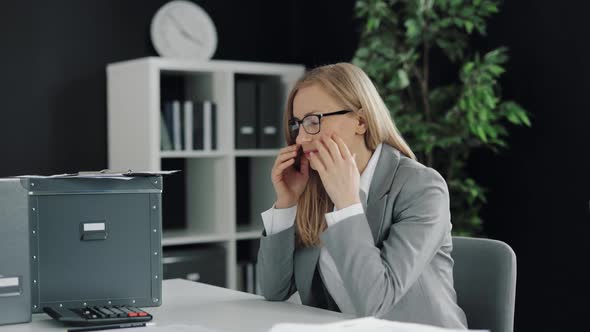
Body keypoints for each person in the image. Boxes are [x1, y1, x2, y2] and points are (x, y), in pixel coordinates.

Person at [256, 63, 468, 329]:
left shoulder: (422, 187)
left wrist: (346, 203)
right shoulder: (316, 187)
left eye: (313, 121)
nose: (300, 139)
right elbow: (274, 290)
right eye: (297, 124)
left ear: (360, 121)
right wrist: (287, 203)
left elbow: (376, 303)